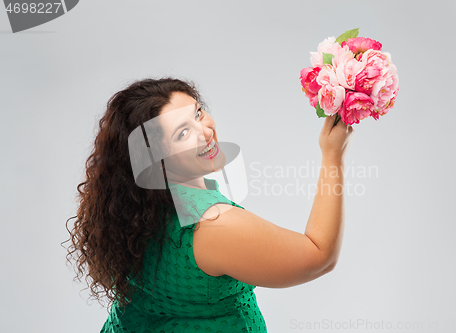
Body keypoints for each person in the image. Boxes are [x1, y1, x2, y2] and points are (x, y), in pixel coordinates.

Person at [63, 77, 354, 333]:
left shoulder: (130, 210)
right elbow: (320, 256)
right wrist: (332, 155)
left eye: (198, 114)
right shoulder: (213, 226)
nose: (206, 131)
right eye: (182, 133)